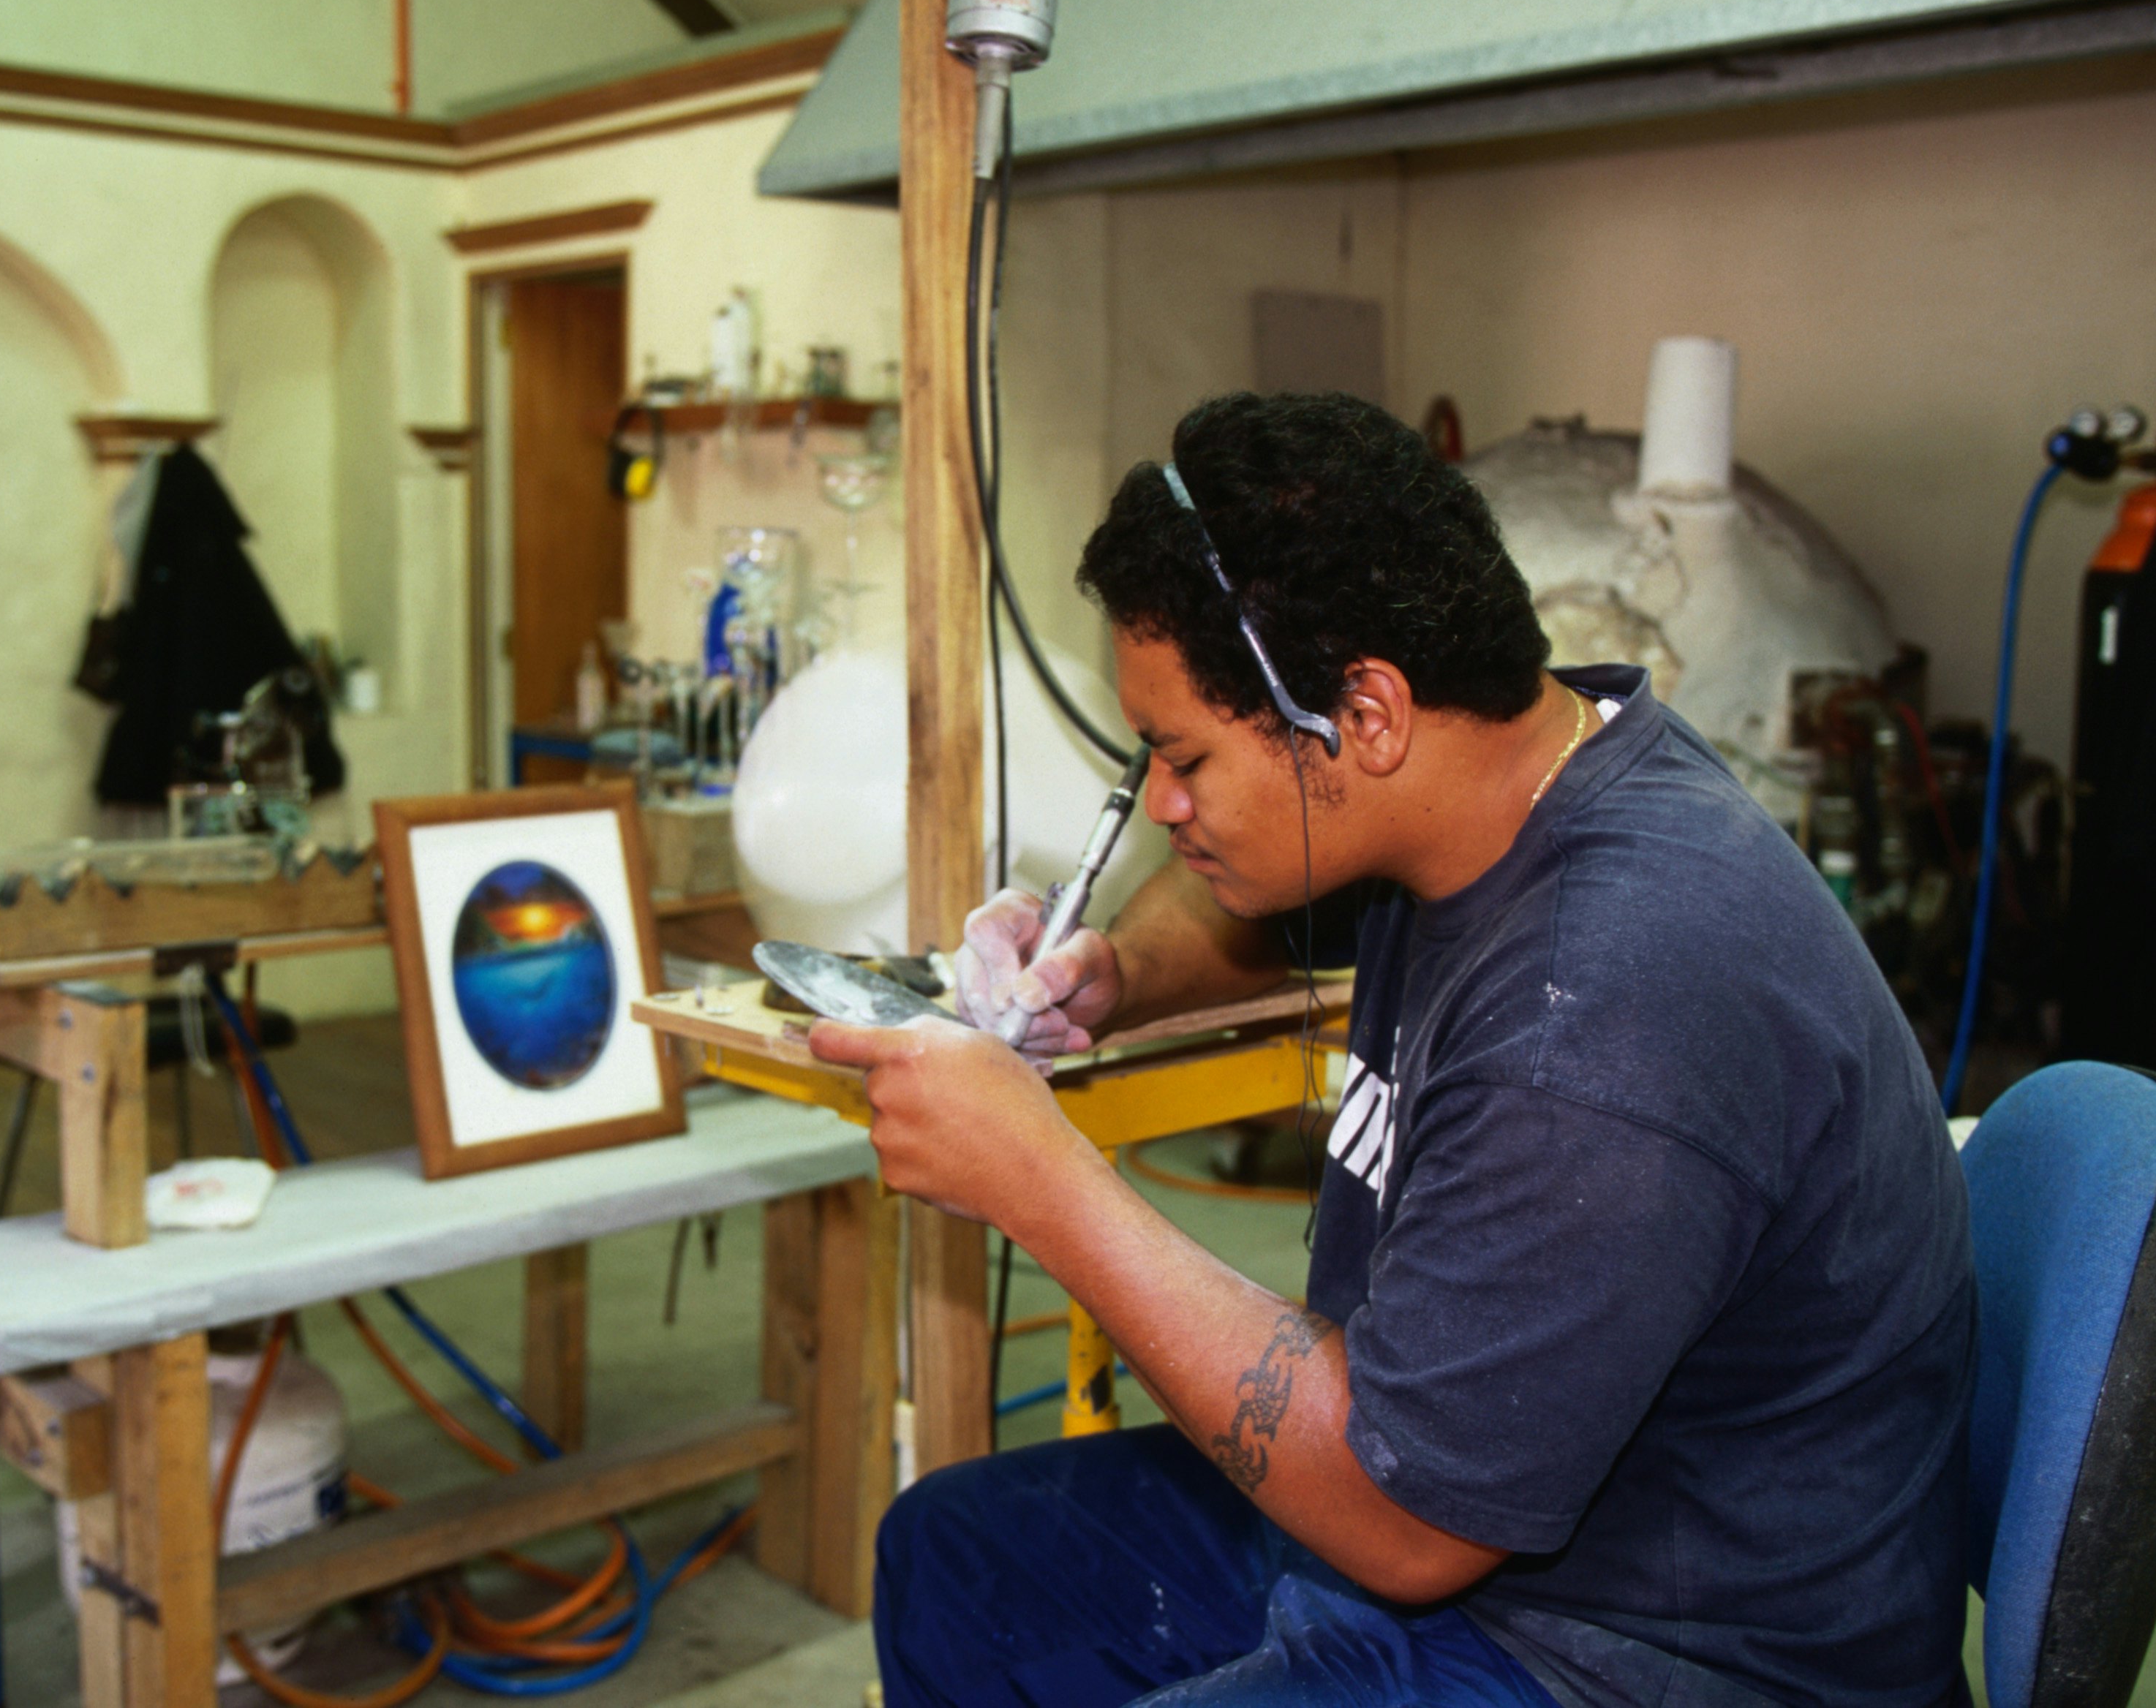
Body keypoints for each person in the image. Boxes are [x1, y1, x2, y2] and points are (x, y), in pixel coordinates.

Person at [807, 393, 1975, 1708]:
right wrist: (1115, 973)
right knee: (959, 1556)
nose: (1166, 809)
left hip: (1642, 1651)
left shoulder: (1602, 998)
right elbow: (1251, 899)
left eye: (1183, 758)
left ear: (1364, 714)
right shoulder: (1506, 772)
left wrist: (1042, 1181)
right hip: (1494, 1538)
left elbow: (1406, 1522)